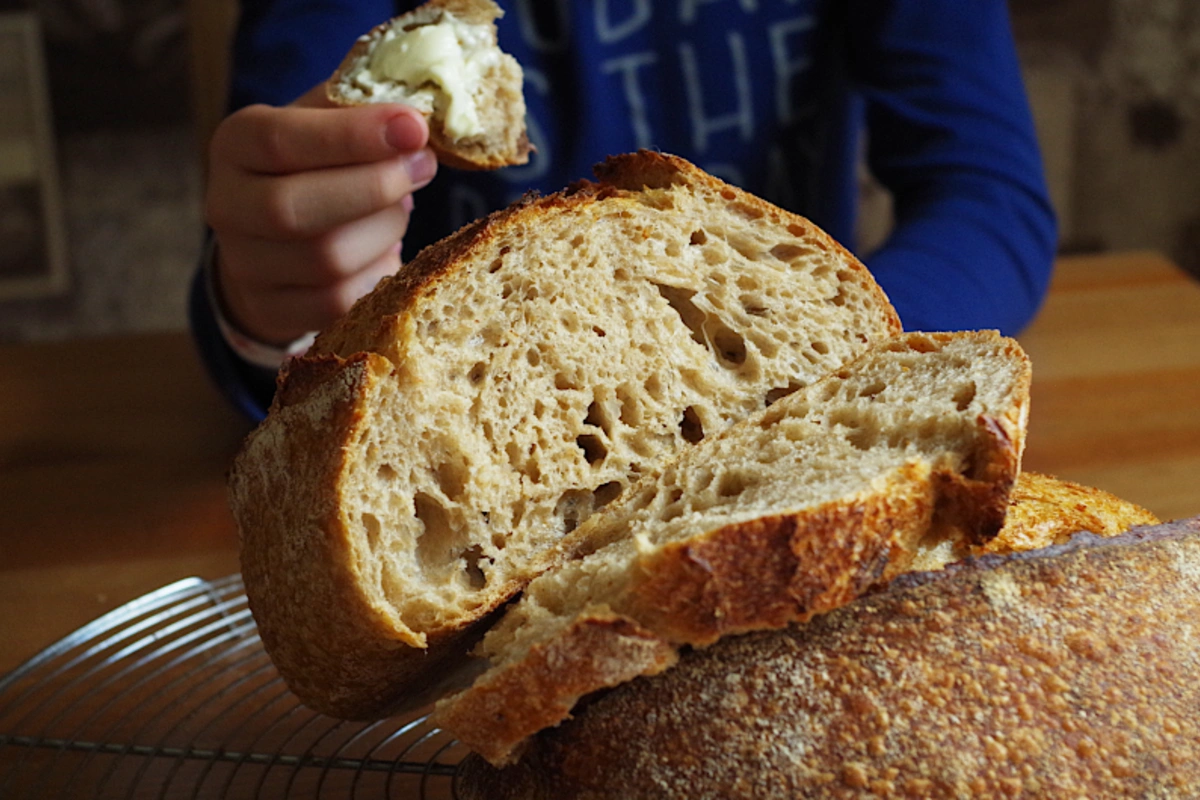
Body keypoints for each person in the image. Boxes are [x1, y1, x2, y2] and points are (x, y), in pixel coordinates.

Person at [190, 0, 1057, 421]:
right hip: (459, 427)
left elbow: (990, 195)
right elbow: (263, 292)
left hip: (782, 398)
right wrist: (271, 311)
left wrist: (812, 358)